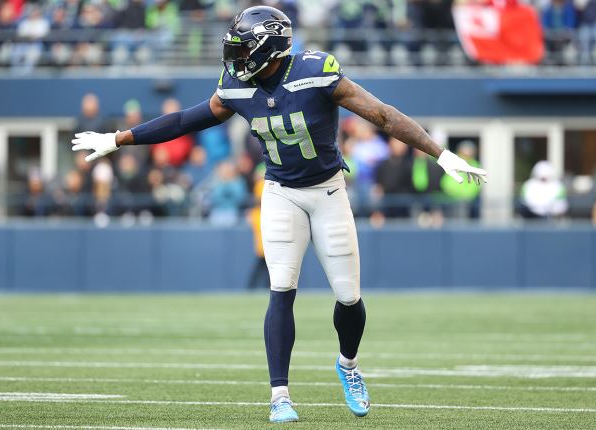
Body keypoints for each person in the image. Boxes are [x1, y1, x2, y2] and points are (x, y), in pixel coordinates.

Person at [71, 5, 487, 423]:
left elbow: (380, 113)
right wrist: (120, 138)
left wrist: (441, 153)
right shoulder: (235, 85)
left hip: (327, 192)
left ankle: (348, 365)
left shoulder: (315, 71)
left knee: (348, 296)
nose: (234, 59)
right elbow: (184, 120)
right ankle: (279, 395)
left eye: (242, 49)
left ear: (269, 49)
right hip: (280, 193)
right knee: (281, 287)